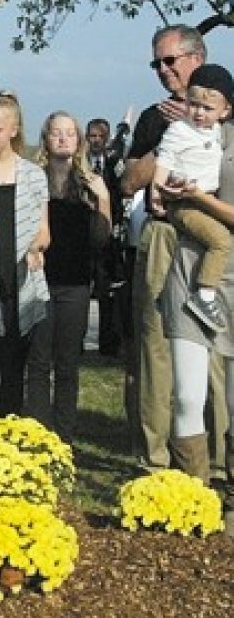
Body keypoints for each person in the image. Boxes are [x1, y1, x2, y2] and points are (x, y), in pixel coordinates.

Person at [120, 25, 229, 473]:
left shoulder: (224, 115)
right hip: (165, 234)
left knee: (218, 352)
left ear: (197, 58)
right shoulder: (153, 117)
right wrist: (167, 136)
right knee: (156, 344)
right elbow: (128, 182)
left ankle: (221, 463)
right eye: (156, 64)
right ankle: (157, 460)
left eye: (171, 61)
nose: (163, 71)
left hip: (215, 237)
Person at [160, 69, 234, 533]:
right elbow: (148, 179)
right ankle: (194, 499)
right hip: (188, 273)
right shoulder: (181, 128)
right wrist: (157, 187)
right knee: (188, 394)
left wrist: (197, 198)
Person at [26, 112, 111, 440]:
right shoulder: (35, 178)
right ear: (46, 138)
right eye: (56, 133)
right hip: (40, 280)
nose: (62, 139)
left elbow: (101, 239)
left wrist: (103, 199)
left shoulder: (88, 183)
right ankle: (36, 435)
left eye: (69, 133)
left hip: (75, 284)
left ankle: (64, 436)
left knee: (67, 364)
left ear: (78, 141)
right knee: (38, 361)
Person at [0, 92, 50, 420]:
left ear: (13, 129)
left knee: (14, 365)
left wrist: (35, 249)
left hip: (19, 280)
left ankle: (7, 431)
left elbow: (44, 231)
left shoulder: (33, 175)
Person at [152, 64, 234, 333]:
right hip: (185, 202)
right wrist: (157, 189)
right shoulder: (179, 130)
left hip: (205, 200)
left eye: (207, 109)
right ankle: (205, 295)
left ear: (225, 112)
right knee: (221, 242)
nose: (199, 113)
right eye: (194, 105)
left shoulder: (217, 133)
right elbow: (164, 159)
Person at [87, 116, 128, 356]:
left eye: (100, 137)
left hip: (109, 231)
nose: (96, 141)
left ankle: (108, 343)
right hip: (85, 231)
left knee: (106, 290)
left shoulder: (113, 163)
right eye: (92, 136)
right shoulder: (81, 164)